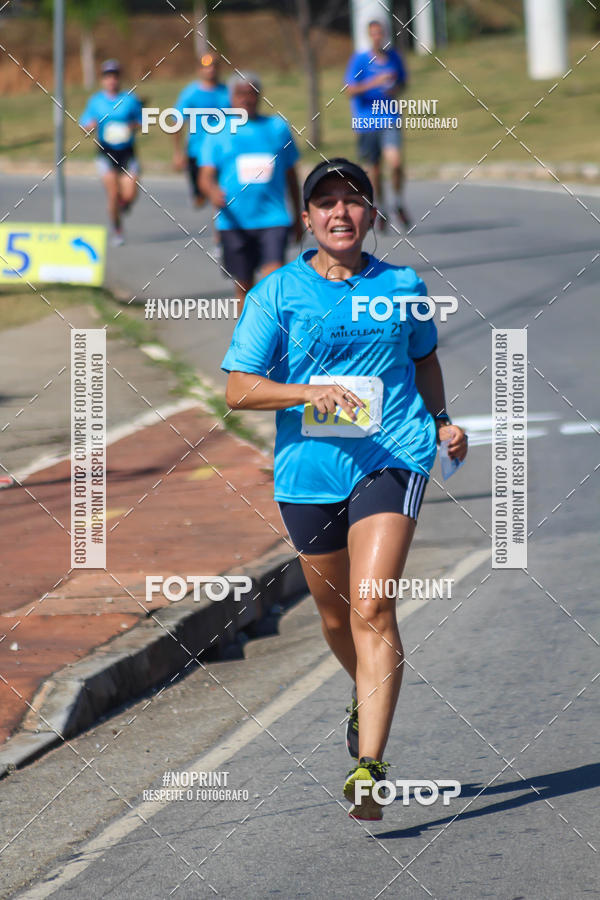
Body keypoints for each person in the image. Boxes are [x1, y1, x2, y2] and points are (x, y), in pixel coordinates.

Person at [221, 158, 467, 821]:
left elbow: (424, 358)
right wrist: (308, 391)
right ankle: (364, 688)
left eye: (353, 201)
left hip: (393, 456)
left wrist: (442, 422)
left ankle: (370, 767)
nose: (340, 212)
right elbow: (239, 387)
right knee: (336, 617)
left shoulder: (404, 284)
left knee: (372, 605)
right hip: (308, 471)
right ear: (307, 219)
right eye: (325, 202)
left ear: (372, 214)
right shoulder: (277, 292)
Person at [198, 71, 303, 311]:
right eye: (240, 93)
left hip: (273, 218)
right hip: (234, 222)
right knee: (244, 286)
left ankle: (273, 339)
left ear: (259, 96)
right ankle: (247, 342)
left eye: (251, 93)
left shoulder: (277, 128)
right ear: (231, 97)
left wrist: (298, 215)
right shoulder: (217, 130)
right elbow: (205, 176)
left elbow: (291, 175)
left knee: (273, 282)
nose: (246, 99)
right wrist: (212, 191)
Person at [345, 19, 411, 230]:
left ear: (385, 35)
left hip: (389, 118)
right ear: (368, 36)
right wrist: (375, 82)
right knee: (374, 170)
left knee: (396, 162)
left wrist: (395, 88)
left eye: (380, 33)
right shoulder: (359, 60)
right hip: (366, 121)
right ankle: (380, 208)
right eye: (373, 33)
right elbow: (350, 90)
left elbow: (402, 82)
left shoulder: (394, 57)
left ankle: (397, 203)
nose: (377, 37)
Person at [80, 59, 143, 245]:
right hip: (105, 152)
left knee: (130, 194)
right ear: (103, 80)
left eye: (115, 76)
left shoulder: (130, 99)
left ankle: (124, 204)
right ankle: (117, 229)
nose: (112, 80)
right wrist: (89, 127)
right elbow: (85, 122)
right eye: (108, 77)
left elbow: (142, 120)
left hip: (127, 151)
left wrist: (131, 126)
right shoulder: (95, 101)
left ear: (119, 79)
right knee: (113, 193)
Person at [172, 53, 230, 209]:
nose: (210, 70)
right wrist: (178, 153)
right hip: (197, 151)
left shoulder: (227, 92)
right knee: (201, 198)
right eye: (206, 67)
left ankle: (223, 228)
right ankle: (199, 195)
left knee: (222, 195)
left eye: (213, 66)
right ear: (199, 70)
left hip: (223, 151)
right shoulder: (191, 93)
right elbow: (177, 121)